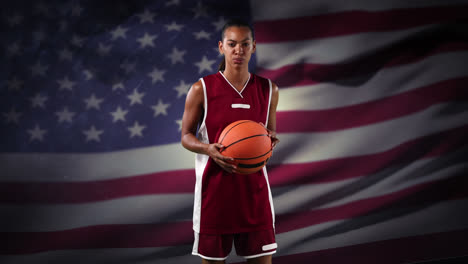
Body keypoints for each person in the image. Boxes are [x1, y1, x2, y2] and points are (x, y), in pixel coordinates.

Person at [181, 19, 279, 264]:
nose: (239, 50)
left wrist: (268, 143)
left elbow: (270, 135)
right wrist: (208, 149)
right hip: (214, 196)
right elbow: (185, 136)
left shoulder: (269, 90)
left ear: (253, 47)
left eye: (245, 44)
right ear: (221, 46)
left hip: (254, 196)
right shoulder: (201, 88)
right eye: (232, 44)